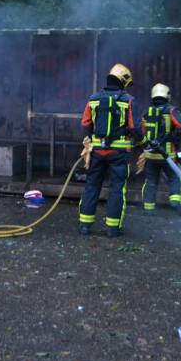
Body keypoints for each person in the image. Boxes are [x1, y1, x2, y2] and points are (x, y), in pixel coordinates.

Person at [78, 63, 142, 237]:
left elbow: (85, 123)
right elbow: (135, 127)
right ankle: (113, 229)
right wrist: (142, 140)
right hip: (118, 154)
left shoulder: (93, 99)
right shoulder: (128, 100)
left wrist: (91, 140)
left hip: (97, 152)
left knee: (92, 186)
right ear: (123, 81)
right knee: (116, 189)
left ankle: (85, 225)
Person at [140, 83, 181, 214]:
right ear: (167, 95)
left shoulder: (147, 112)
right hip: (167, 154)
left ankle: (148, 209)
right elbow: (180, 124)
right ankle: (176, 202)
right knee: (175, 177)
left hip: (151, 155)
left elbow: (141, 131)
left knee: (151, 181)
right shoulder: (170, 110)